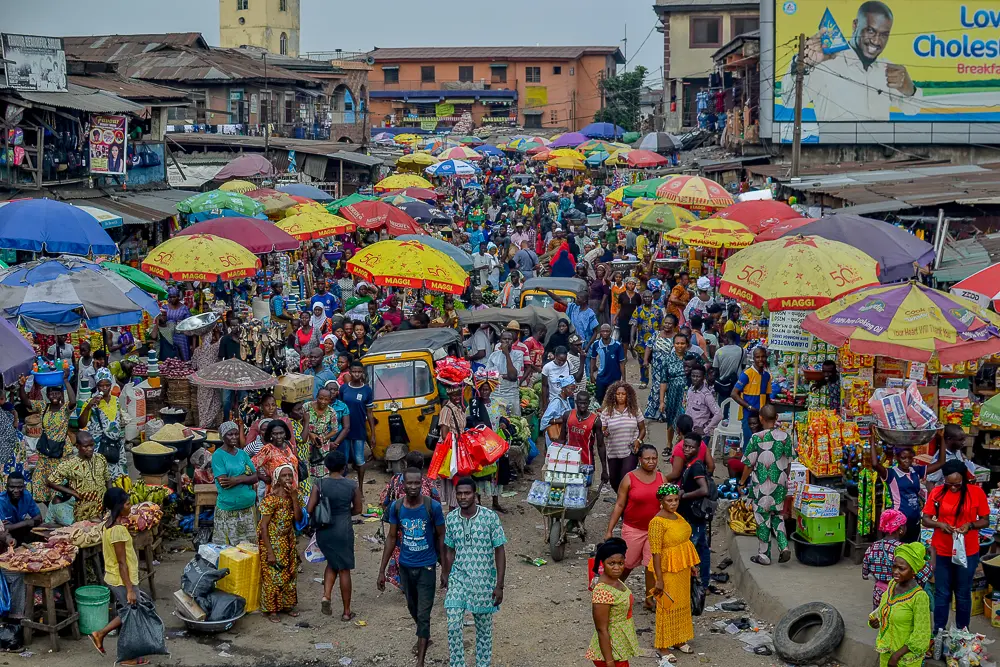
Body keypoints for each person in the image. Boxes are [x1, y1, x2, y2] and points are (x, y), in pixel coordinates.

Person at [785, 1, 923, 125]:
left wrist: (910, 88)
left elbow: (912, 109)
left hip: (880, 152)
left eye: (884, 34)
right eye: (870, 30)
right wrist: (801, 64)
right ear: (855, 25)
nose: (876, 40)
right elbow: (789, 101)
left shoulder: (887, 69)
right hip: (834, 152)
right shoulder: (825, 63)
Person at [378, 465, 446, 667]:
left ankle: (420, 660)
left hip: (427, 567)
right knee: (412, 607)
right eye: (410, 483)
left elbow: (442, 536)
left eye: (417, 482)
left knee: (424, 614)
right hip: (405, 567)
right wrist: (381, 570)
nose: (414, 486)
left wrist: (445, 569)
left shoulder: (432, 507)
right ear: (403, 484)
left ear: (422, 483)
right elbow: (391, 538)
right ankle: (424, 635)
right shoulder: (397, 507)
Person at [442, 477, 507, 667]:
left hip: (483, 580)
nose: (463, 497)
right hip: (458, 578)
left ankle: (482, 664)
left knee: (484, 630)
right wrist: (446, 573)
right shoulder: (452, 519)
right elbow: (449, 548)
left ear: (475, 495)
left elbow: (500, 551)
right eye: (459, 493)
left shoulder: (489, 518)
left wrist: (499, 585)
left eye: (467, 493)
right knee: (453, 624)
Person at [922, 459, 990, 633]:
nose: (953, 488)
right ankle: (938, 631)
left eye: (957, 485)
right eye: (949, 484)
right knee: (942, 593)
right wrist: (940, 525)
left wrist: (970, 525)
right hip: (942, 550)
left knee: (962, 593)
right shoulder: (937, 492)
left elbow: (985, 520)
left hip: (967, 551)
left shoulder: (976, 493)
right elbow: (926, 519)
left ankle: (962, 632)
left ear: (964, 480)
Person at [89, 488, 156, 665]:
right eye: (127, 504)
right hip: (121, 580)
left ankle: (100, 634)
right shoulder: (117, 531)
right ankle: (127, 657)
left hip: (116, 577)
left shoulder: (109, 524)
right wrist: (129, 590)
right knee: (131, 614)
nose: (130, 506)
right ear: (119, 506)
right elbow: (121, 563)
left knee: (130, 612)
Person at [605, 444, 664, 611]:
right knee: (626, 563)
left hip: (654, 530)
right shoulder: (629, 478)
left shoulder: (661, 478)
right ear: (640, 460)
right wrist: (609, 530)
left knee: (651, 565)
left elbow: (667, 504)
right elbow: (619, 505)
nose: (651, 462)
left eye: (654, 458)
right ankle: (613, 591)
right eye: (647, 459)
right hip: (633, 528)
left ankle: (649, 599)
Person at [648, 483, 700, 659]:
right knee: (666, 606)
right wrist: (659, 579)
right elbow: (655, 553)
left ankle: (678, 639)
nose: (673, 503)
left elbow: (683, 543)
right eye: (669, 500)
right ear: (661, 501)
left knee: (681, 603)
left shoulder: (676, 516)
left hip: (682, 568)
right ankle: (663, 646)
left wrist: (691, 565)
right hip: (667, 570)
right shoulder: (657, 522)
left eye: (676, 500)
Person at [308, 450, 362, 620]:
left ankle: (326, 595)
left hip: (325, 530)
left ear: (326, 466)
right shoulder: (352, 485)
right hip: (343, 528)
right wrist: (345, 512)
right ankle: (346, 612)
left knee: (332, 562)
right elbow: (359, 509)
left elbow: (310, 509)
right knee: (344, 569)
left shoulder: (319, 483)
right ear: (344, 466)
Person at [736, 405, 792, 566]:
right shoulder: (785, 437)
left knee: (762, 518)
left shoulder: (756, 438)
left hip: (761, 485)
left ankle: (764, 555)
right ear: (776, 419)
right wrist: (784, 479)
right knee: (777, 516)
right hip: (780, 482)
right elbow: (788, 462)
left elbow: (748, 464)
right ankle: (784, 546)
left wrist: (741, 482)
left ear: (761, 418)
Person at [868, 542, 933, 667]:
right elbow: (884, 610)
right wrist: (876, 622)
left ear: (913, 571)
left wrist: (896, 656)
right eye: (894, 567)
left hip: (905, 659)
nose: (896, 572)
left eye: (902, 569)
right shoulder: (892, 584)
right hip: (886, 652)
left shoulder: (919, 597)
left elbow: (921, 635)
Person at [20, 372, 74, 504]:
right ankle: (50, 511)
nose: (54, 396)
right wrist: (22, 386)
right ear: (47, 395)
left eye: (57, 393)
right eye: (51, 393)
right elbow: (26, 402)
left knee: (58, 487)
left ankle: (57, 512)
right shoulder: (44, 406)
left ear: (61, 394)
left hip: (60, 454)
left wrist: (66, 381)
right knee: (41, 484)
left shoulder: (65, 408)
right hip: (45, 454)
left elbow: (73, 401)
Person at [586, 538, 640, 667]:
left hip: (618, 646)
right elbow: (601, 629)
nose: (617, 568)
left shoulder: (616, 581)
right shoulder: (602, 591)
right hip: (610, 652)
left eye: (620, 563)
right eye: (612, 563)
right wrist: (609, 662)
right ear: (603, 563)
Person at [258, 464, 302, 622]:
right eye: (284, 476)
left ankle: (287, 605)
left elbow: (298, 519)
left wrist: (295, 498)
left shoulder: (294, 495)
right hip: (272, 541)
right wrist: (269, 551)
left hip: (288, 540)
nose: (288, 478)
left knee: (289, 573)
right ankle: (272, 610)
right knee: (273, 576)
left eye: (290, 475)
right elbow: (263, 526)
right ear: (277, 478)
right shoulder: (271, 499)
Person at [863, 509, 932, 609]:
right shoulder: (905, 551)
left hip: (879, 595)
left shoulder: (872, 547)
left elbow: (865, 574)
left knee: (881, 621)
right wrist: (932, 554)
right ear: (901, 529)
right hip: (901, 596)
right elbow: (926, 574)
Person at [211, 421, 259, 546]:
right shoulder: (218, 456)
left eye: (236, 434)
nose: (234, 437)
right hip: (229, 509)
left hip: (247, 507)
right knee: (229, 549)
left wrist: (236, 480)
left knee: (249, 547)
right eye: (230, 434)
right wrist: (245, 477)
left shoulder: (242, 453)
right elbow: (224, 482)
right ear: (223, 436)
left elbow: (255, 476)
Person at [47, 431, 110, 522]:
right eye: (86, 446)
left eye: (92, 445)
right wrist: (72, 492)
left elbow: (107, 478)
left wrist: (110, 497)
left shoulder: (100, 458)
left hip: (101, 504)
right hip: (83, 508)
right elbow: (50, 482)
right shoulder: (69, 464)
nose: (90, 449)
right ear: (77, 446)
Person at [80, 368, 128, 480]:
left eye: (107, 385)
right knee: (101, 475)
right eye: (101, 385)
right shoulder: (91, 402)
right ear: (97, 386)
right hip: (100, 445)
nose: (105, 388)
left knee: (119, 476)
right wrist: (88, 407)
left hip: (116, 444)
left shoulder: (116, 400)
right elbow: (81, 424)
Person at [676, 434, 711, 589]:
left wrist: (683, 495)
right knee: (702, 548)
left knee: (693, 548)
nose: (687, 449)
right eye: (685, 446)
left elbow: (704, 489)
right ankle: (703, 581)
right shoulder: (689, 464)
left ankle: (696, 584)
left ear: (698, 449)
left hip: (694, 515)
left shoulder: (696, 466)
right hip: (693, 515)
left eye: (691, 447)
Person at [872, 445, 925, 543]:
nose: (907, 461)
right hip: (899, 521)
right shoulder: (891, 473)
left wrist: (942, 437)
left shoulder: (915, 471)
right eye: (903, 458)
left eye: (910, 458)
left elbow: (941, 463)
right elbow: (875, 464)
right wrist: (871, 439)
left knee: (914, 550)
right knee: (900, 550)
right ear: (896, 457)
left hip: (915, 519)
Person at [600, 381, 646, 492]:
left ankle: (625, 504)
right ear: (613, 395)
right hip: (614, 451)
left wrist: (638, 440)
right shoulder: (607, 412)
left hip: (630, 450)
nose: (620, 396)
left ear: (628, 395)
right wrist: (604, 433)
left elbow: (642, 429)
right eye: (618, 394)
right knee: (614, 481)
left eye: (623, 394)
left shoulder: (634, 410)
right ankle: (622, 499)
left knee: (625, 476)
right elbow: (602, 430)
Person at [647, 330, 689, 448]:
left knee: (683, 417)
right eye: (677, 343)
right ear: (673, 344)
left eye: (682, 343)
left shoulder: (691, 357)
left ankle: (681, 444)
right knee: (670, 417)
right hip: (672, 393)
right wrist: (661, 401)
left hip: (686, 394)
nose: (680, 346)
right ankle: (669, 443)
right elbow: (663, 381)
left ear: (686, 344)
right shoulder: (667, 360)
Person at [339, 361, 374, 493]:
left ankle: (360, 488)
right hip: (344, 430)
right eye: (354, 371)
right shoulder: (344, 389)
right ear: (350, 372)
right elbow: (340, 408)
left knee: (360, 459)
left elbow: (370, 413)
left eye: (359, 372)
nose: (357, 374)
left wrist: (373, 435)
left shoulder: (367, 390)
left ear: (363, 373)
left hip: (359, 429)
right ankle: (344, 490)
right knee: (344, 459)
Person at [567, 388, 609, 487]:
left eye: (585, 403)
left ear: (589, 403)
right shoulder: (568, 416)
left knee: (584, 490)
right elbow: (561, 440)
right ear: (576, 402)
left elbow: (600, 446)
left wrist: (604, 470)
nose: (582, 406)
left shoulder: (595, 421)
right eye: (580, 403)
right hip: (569, 461)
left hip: (587, 463)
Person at [732, 346, 771, 444]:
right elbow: (734, 394)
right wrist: (749, 407)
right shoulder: (747, 374)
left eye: (763, 357)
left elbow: (767, 396)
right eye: (758, 357)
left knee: (760, 442)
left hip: (761, 415)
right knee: (749, 442)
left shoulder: (767, 376)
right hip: (748, 415)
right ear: (753, 358)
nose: (760, 359)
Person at [252, 420, 298, 496]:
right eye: (275, 434)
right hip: (276, 493)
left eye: (281, 433)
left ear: (285, 433)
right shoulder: (268, 450)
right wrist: (263, 478)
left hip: (293, 490)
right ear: (270, 435)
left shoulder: (289, 445)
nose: (279, 436)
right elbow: (250, 466)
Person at [485, 330, 524, 417]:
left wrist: (507, 354)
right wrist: (504, 376)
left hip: (511, 394)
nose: (507, 341)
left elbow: (513, 376)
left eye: (509, 339)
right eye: (504, 339)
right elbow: (488, 375)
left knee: (513, 421)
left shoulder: (518, 355)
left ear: (513, 341)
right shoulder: (493, 356)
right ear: (500, 341)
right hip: (495, 394)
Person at [191, 326, 223, 428]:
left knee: (203, 406)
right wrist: (218, 330)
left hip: (202, 382)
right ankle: (205, 425)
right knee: (215, 403)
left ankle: (204, 424)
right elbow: (223, 339)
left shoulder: (197, 351)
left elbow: (193, 366)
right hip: (212, 381)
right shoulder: (213, 348)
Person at [629, 290, 662, 389]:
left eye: (649, 297)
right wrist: (632, 339)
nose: (647, 298)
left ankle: (658, 382)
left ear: (652, 298)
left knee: (657, 362)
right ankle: (644, 381)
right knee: (643, 363)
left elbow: (662, 326)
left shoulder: (658, 310)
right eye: (645, 297)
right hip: (642, 342)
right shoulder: (639, 310)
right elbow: (633, 325)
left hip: (656, 341)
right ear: (643, 298)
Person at [0, 472, 41, 545]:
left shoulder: (26, 495)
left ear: (24, 487)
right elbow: (4, 528)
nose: (16, 491)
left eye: (19, 487)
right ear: (6, 487)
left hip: (20, 529)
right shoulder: (1, 501)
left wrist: (13, 525)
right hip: (5, 534)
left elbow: (38, 518)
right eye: (12, 487)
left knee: (40, 533)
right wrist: (26, 522)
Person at [590, 324, 625, 405]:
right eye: (603, 331)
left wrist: (623, 379)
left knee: (613, 400)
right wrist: (591, 374)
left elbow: (622, 362)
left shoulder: (617, 345)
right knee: (599, 398)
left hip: (614, 377)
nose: (605, 333)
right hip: (601, 377)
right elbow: (593, 358)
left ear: (611, 332)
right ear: (600, 332)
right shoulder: (596, 344)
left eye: (607, 331)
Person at [685, 364, 721, 438]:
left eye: (698, 376)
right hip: (689, 431)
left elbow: (719, 414)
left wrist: (705, 430)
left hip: (700, 435)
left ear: (704, 377)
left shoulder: (707, 395)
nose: (695, 378)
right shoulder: (690, 390)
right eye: (693, 376)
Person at [158, 287, 193, 360]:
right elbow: (161, 320)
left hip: (181, 335)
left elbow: (188, 322)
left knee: (183, 355)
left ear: (178, 297)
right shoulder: (165, 307)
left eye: (174, 297)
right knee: (169, 355)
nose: (172, 299)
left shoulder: (184, 309)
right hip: (168, 334)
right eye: (170, 297)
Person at [712, 331, 744, 405]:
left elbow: (715, 370)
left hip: (723, 383)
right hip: (737, 383)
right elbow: (743, 366)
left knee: (723, 405)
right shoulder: (742, 351)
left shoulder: (719, 352)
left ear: (726, 339)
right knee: (735, 405)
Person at [540, 346, 574, 411]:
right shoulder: (547, 367)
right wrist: (544, 404)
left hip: (567, 401)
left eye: (564, 360)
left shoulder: (569, 364)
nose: (561, 363)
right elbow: (544, 386)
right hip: (553, 400)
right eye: (559, 360)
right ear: (555, 356)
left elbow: (572, 380)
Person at [615, 277, 642, 349]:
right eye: (629, 284)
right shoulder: (622, 295)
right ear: (626, 284)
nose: (631, 285)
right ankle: (625, 355)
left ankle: (632, 348)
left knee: (633, 336)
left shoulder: (637, 296)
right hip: (623, 318)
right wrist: (615, 318)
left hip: (633, 319)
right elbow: (619, 307)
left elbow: (639, 308)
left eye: (633, 284)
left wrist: (640, 318)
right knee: (624, 337)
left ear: (635, 285)